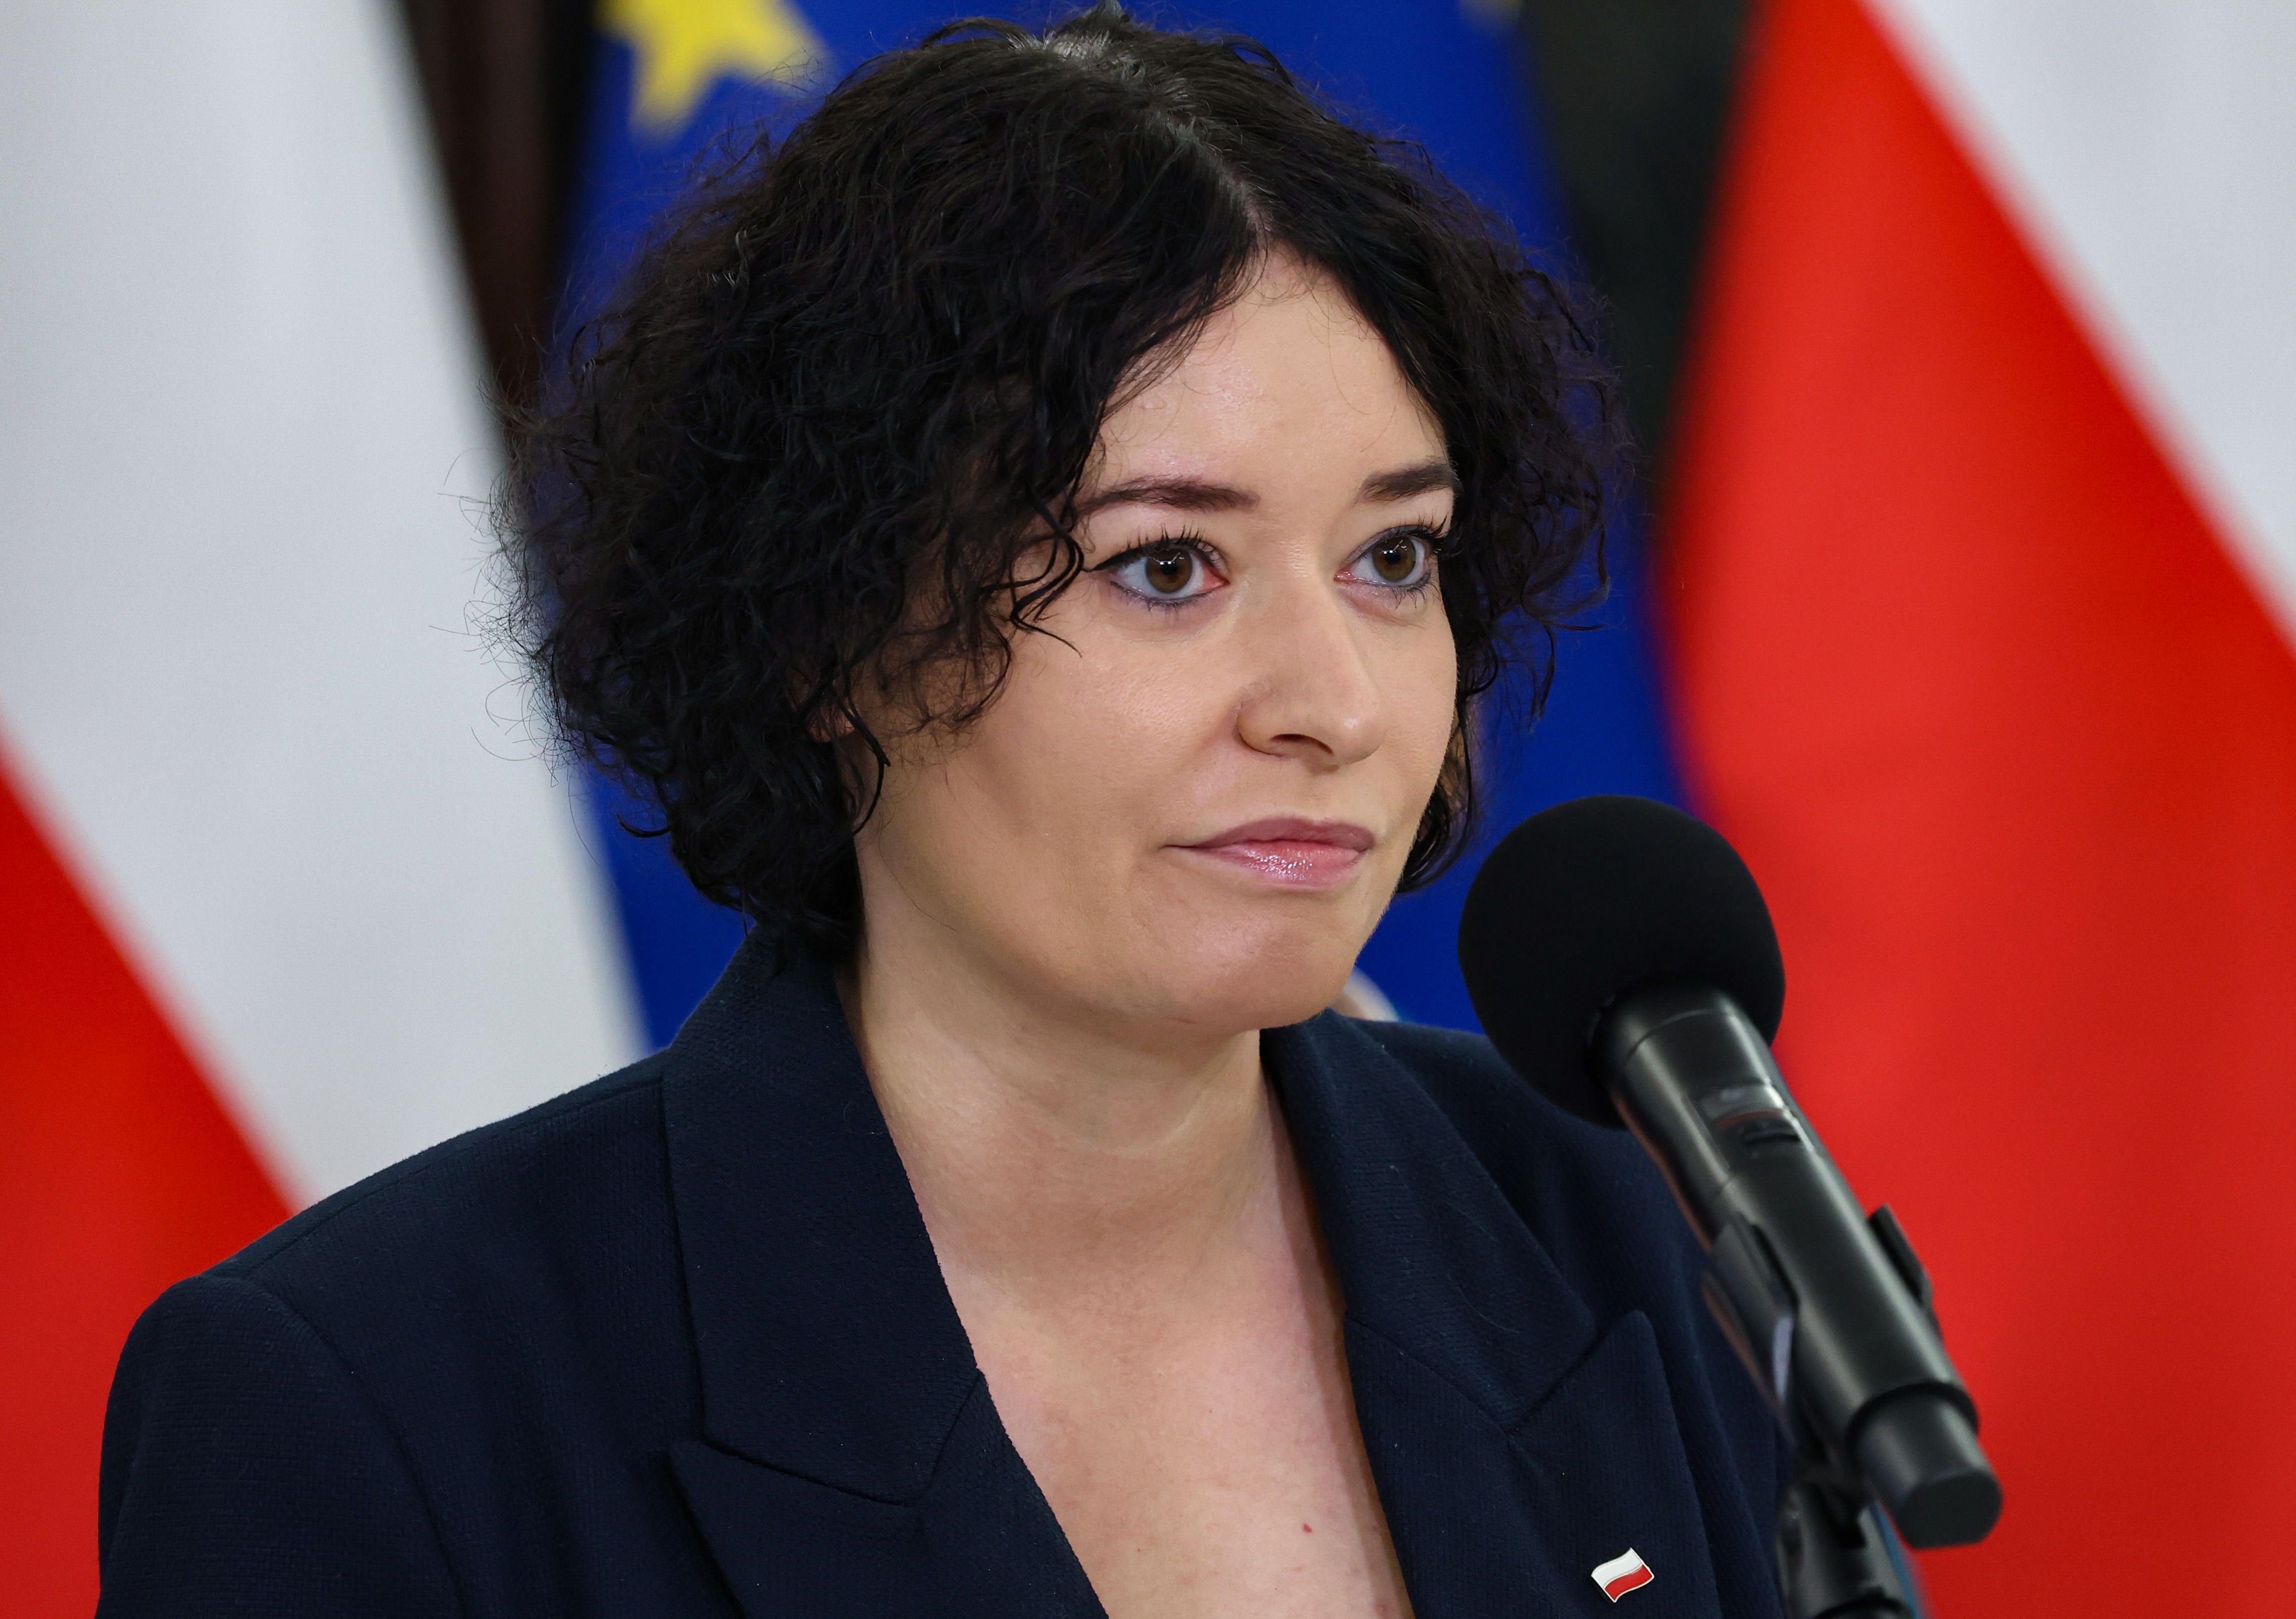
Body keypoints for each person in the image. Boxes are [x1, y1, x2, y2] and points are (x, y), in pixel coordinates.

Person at [96, 8, 1786, 1616]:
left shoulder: (1631, 1230)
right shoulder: (372, 1403)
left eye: (1392, 557)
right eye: (1167, 568)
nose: (1335, 705)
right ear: (826, 630)